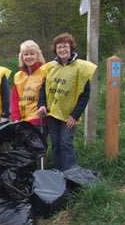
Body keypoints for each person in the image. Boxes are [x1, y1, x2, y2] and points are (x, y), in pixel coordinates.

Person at [38, 33, 97, 171]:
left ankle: (70, 174)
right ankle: (59, 173)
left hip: (69, 116)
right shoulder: (50, 67)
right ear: (55, 49)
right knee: (56, 144)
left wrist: (74, 115)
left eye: (65, 46)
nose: (62, 50)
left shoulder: (81, 68)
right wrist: (41, 104)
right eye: (59, 47)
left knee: (66, 143)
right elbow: (43, 89)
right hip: (52, 113)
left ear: (71, 48)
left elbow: (85, 94)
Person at [11, 40, 47, 131]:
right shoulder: (18, 76)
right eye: (25, 54)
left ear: (37, 55)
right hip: (22, 121)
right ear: (21, 57)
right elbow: (15, 100)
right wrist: (15, 119)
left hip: (39, 120)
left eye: (32, 54)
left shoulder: (45, 72)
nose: (29, 57)